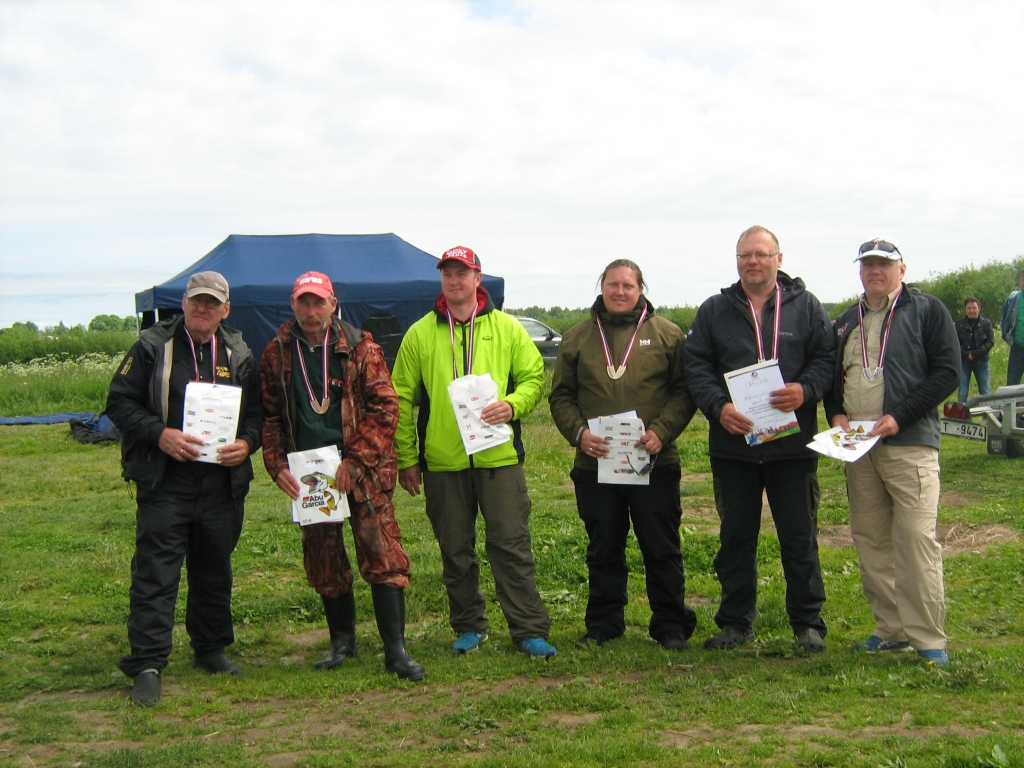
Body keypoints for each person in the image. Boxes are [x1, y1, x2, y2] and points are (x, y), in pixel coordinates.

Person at [106, 271, 263, 706]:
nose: (204, 308)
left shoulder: (241, 353)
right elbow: (118, 402)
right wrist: (160, 434)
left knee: (215, 567)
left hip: (220, 481)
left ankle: (211, 649)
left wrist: (247, 444)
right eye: (197, 300)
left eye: (213, 302)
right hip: (166, 479)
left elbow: (258, 414)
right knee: (156, 571)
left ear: (226, 310)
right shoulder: (152, 347)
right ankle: (149, 663)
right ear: (184, 302)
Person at [391, 246, 557, 658]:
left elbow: (534, 377)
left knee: (511, 544)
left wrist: (513, 405)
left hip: (498, 458)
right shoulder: (420, 333)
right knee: (455, 548)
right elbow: (399, 397)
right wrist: (409, 458)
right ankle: (470, 626)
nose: (454, 281)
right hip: (444, 462)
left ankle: (528, 631)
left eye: (462, 273)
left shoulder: (506, 329)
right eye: (447, 274)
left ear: (478, 279)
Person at [260, 272, 424, 680]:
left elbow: (386, 409)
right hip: (310, 473)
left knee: (382, 554)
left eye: (319, 302)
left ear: (333, 304)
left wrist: (356, 461)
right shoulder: (277, 353)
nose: (311, 311)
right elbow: (271, 417)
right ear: (293, 305)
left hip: (362, 470)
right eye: (304, 302)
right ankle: (342, 644)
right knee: (324, 558)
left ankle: (395, 650)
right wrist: (276, 464)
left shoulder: (361, 348)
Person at [684, 225, 835, 653]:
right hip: (734, 447)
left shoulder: (807, 308)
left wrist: (806, 388)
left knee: (799, 536)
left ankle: (808, 624)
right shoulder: (714, 310)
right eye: (744, 255)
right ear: (737, 262)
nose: (753, 261)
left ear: (779, 260)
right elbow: (696, 368)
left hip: (791, 447)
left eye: (761, 254)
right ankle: (735, 622)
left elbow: (827, 359)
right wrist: (719, 408)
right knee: (735, 537)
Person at [549, 259, 698, 649]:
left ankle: (670, 624)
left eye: (627, 286)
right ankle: (603, 623)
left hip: (653, 461)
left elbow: (685, 391)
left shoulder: (667, 334)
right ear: (602, 288)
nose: (619, 292)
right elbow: (561, 395)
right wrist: (579, 434)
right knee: (603, 547)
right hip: (595, 462)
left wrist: (661, 432)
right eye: (612, 285)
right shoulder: (578, 337)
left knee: (661, 547)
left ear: (640, 289)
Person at [824, 237, 959, 666]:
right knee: (871, 540)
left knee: (916, 539)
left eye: (884, 264)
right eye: (867, 265)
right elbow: (831, 380)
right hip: (858, 449)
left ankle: (927, 637)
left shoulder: (927, 311)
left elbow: (947, 372)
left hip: (908, 443)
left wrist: (900, 416)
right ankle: (891, 628)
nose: (875, 271)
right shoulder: (846, 321)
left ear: (902, 269)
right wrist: (835, 414)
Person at [954, 297, 994, 402]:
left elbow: (990, 342)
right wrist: (966, 354)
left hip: (982, 361)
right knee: (962, 391)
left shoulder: (986, 323)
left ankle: (987, 416)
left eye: (974, 308)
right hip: (964, 362)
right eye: (969, 308)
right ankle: (961, 416)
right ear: (965, 309)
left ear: (979, 308)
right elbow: (955, 342)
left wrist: (975, 354)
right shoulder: (959, 324)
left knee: (985, 391)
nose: (972, 310)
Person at [1001, 269, 1024, 386]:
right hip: (1018, 347)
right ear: (1020, 281)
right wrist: (1006, 336)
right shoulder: (1013, 299)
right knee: (1012, 383)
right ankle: (1010, 405)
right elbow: (1005, 317)